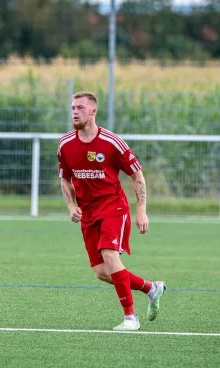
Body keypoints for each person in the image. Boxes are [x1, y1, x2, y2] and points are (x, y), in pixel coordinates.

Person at [57, 91, 166, 331]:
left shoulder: (111, 142)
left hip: (113, 206)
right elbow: (65, 179)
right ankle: (151, 288)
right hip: (88, 212)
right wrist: (71, 205)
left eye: (80, 108)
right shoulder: (65, 144)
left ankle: (130, 319)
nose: (75, 112)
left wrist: (141, 211)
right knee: (101, 272)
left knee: (109, 254)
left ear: (93, 112)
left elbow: (137, 174)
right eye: (73, 108)